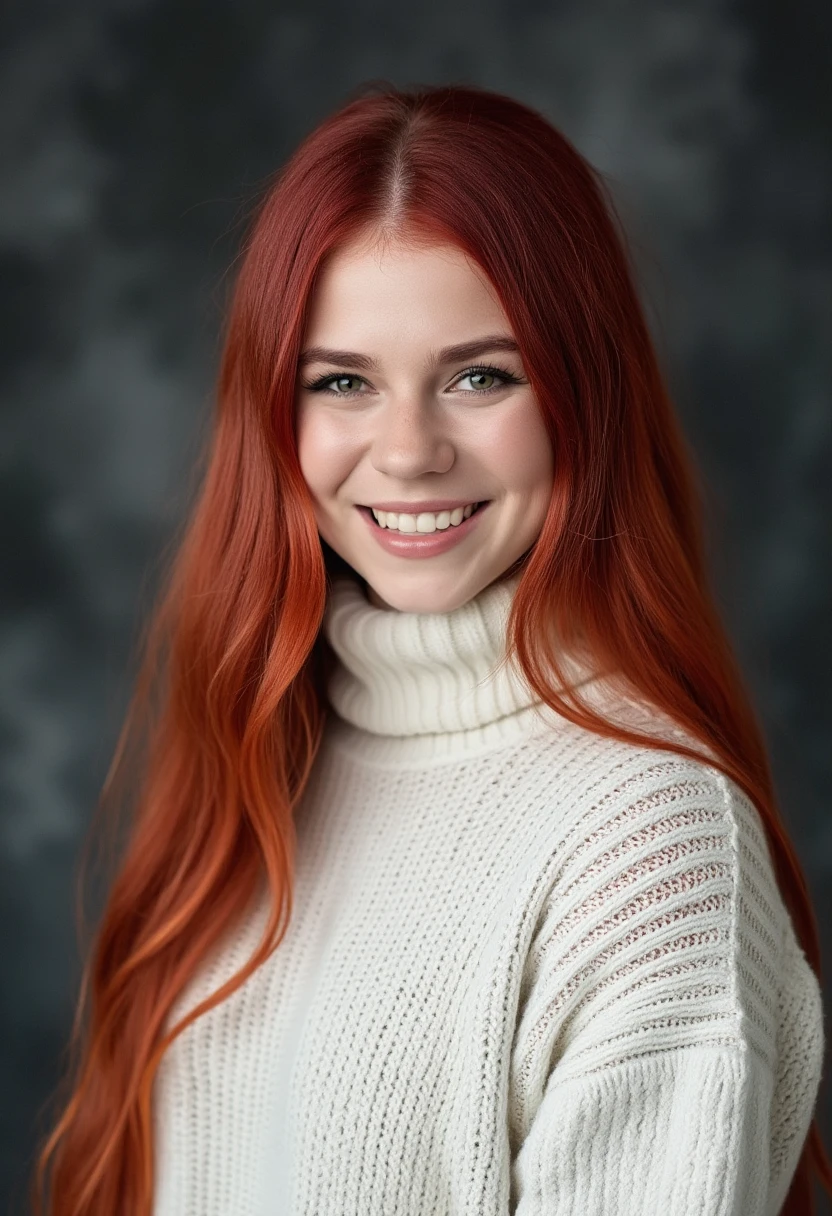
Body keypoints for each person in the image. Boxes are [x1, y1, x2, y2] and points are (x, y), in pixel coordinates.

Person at [33, 83, 829, 1216]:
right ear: (272, 409)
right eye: (343, 381)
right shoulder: (271, 756)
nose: (406, 452)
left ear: (582, 399)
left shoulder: (650, 844)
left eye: (479, 376)